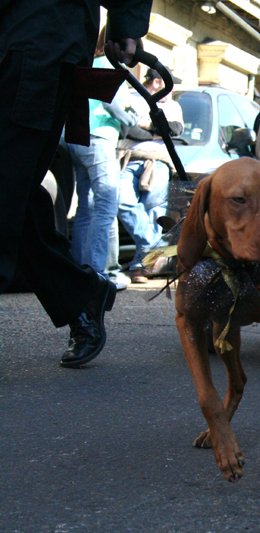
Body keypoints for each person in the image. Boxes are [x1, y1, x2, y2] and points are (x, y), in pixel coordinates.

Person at [0, 0, 151, 368]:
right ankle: (80, 293)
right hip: (26, 41)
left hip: (36, 40)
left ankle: (80, 294)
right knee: (12, 194)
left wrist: (125, 23)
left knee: (7, 188)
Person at [67, 26, 137, 290]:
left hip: (79, 138)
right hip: (100, 139)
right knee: (107, 203)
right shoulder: (108, 64)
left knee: (86, 207)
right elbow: (109, 102)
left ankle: (78, 269)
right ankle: (97, 274)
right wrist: (130, 118)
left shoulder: (90, 62)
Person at [116, 67, 183, 282]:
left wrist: (144, 124)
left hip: (159, 162)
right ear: (157, 83)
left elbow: (174, 129)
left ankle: (141, 267)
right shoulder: (131, 98)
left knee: (154, 211)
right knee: (122, 202)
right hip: (129, 158)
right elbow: (128, 130)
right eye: (170, 87)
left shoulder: (173, 106)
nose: (172, 92)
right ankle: (157, 249)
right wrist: (157, 130)